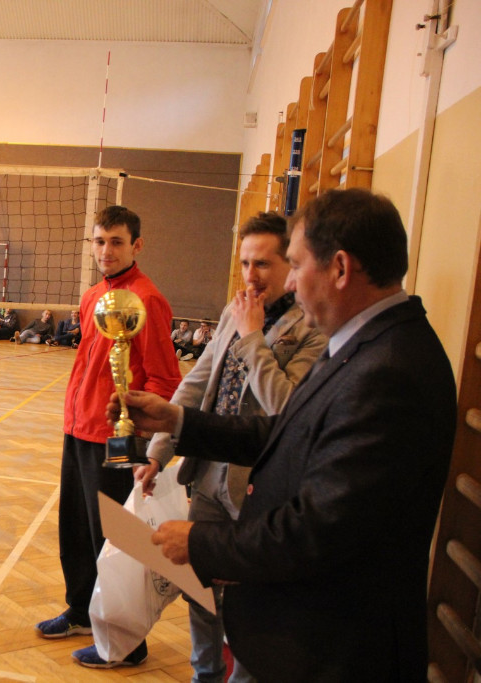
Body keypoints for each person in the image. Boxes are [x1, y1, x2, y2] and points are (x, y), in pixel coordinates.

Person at [117, 189, 456, 681]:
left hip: (333, 647)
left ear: (340, 268)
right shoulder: (365, 344)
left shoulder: (389, 371)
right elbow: (289, 430)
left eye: (294, 265)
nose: (291, 283)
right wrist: (179, 421)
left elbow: (318, 530)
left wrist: (203, 543)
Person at [126, 212, 327, 681]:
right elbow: (196, 384)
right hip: (208, 475)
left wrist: (253, 336)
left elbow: (287, 409)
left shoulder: (312, 329)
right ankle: (205, 674)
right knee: (198, 587)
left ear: (290, 265)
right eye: (245, 263)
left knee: (248, 595)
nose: (250, 275)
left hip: (258, 486)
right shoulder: (232, 310)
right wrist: (158, 453)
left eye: (263, 264)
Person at [34, 205, 181, 670]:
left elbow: (165, 378)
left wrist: (140, 435)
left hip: (117, 439)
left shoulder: (147, 300)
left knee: (115, 540)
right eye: (99, 241)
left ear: (137, 245)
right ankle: (82, 612)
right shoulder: (93, 296)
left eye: (116, 242)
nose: (106, 251)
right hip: (78, 428)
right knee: (77, 529)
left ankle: (127, 642)